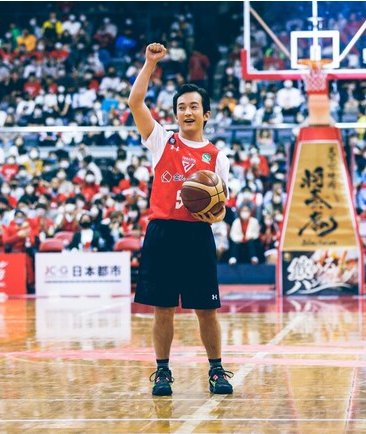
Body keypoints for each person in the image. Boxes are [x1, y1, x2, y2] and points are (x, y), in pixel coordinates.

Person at [128, 42, 233, 396]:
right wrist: (149, 64)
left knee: (207, 310)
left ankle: (216, 371)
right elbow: (135, 103)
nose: (187, 112)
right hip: (162, 233)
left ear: (206, 115)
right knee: (163, 310)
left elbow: (221, 209)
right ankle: (162, 372)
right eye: (182, 107)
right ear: (175, 114)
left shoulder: (217, 157)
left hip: (197, 235)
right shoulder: (161, 140)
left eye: (194, 107)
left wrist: (212, 211)